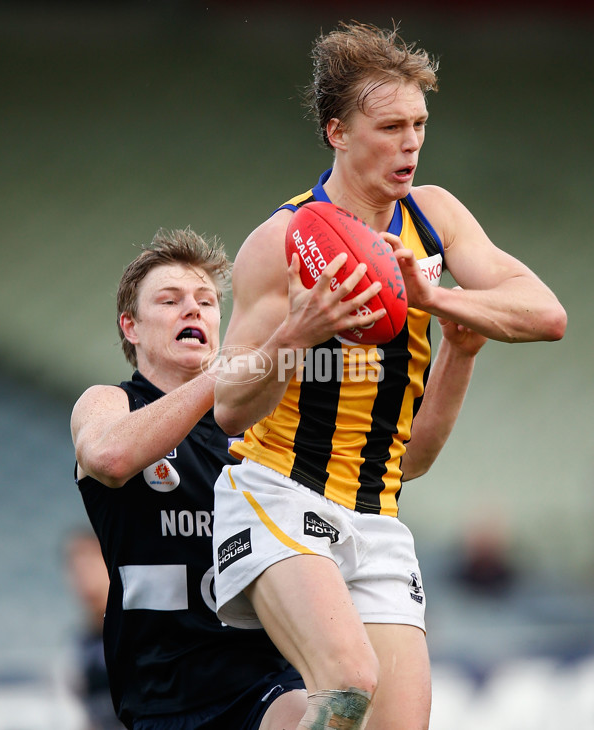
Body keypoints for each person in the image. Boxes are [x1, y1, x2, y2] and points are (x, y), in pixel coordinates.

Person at [211, 21, 567, 730]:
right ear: (337, 131)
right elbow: (227, 407)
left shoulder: (434, 220)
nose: (410, 143)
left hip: (375, 515)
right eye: (391, 126)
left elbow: (547, 314)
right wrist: (297, 334)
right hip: (276, 495)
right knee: (345, 685)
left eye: (420, 125)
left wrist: (441, 310)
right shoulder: (282, 241)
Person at [70, 228, 308, 730]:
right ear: (130, 327)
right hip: (161, 693)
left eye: (205, 301)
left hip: (263, 677)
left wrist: (459, 357)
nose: (194, 310)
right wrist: (218, 375)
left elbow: (408, 460)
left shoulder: (261, 424)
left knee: (321, 717)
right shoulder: (110, 404)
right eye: (170, 300)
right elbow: (109, 456)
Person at [63, 527, 124, 730]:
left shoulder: (131, 628)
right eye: (75, 569)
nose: (83, 577)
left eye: (89, 565)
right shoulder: (81, 640)